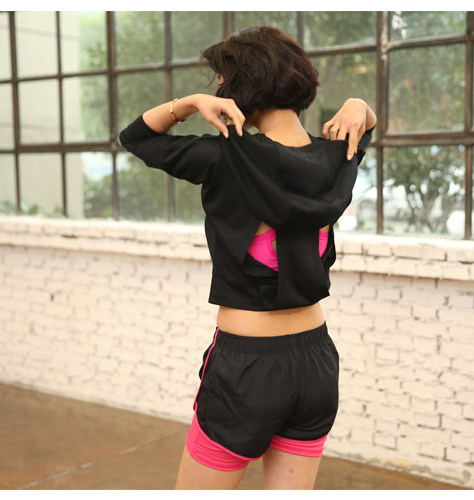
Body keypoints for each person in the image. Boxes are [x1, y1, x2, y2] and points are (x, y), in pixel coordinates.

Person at [119, 26, 376, 490]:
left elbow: (136, 138)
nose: (220, 91)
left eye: (223, 81)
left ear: (244, 86)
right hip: (316, 362)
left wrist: (189, 104)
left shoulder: (223, 157)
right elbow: (366, 124)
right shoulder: (338, 155)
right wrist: (360, 105)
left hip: (247, 367)